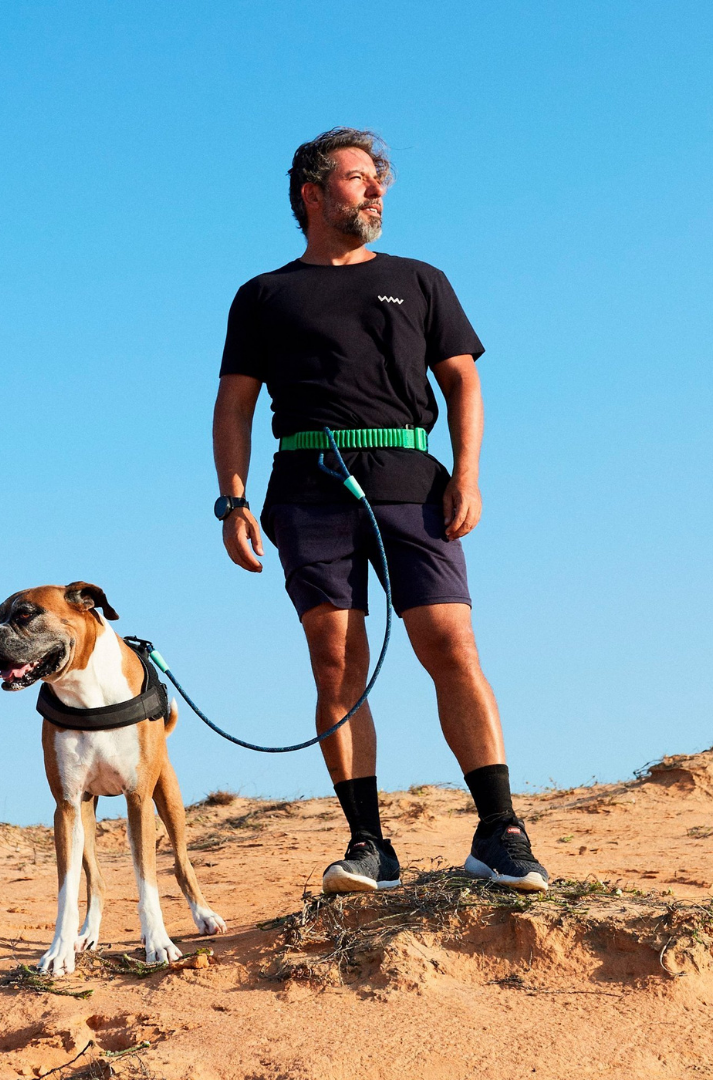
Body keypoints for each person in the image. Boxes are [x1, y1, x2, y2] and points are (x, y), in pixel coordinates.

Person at [211, 128, 548, 894]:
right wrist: (233, 499)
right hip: (305, 485)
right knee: (335, 659)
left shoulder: (419, 279)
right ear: (312, 192)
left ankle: (501, 832)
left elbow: (462, 381)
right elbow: (234, 405)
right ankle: (369, 845)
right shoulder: (263, 295)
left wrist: (467, 474)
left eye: (380, 180)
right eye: (359, 177)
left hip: (410, 478)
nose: (377, 190)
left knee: (450, 641)